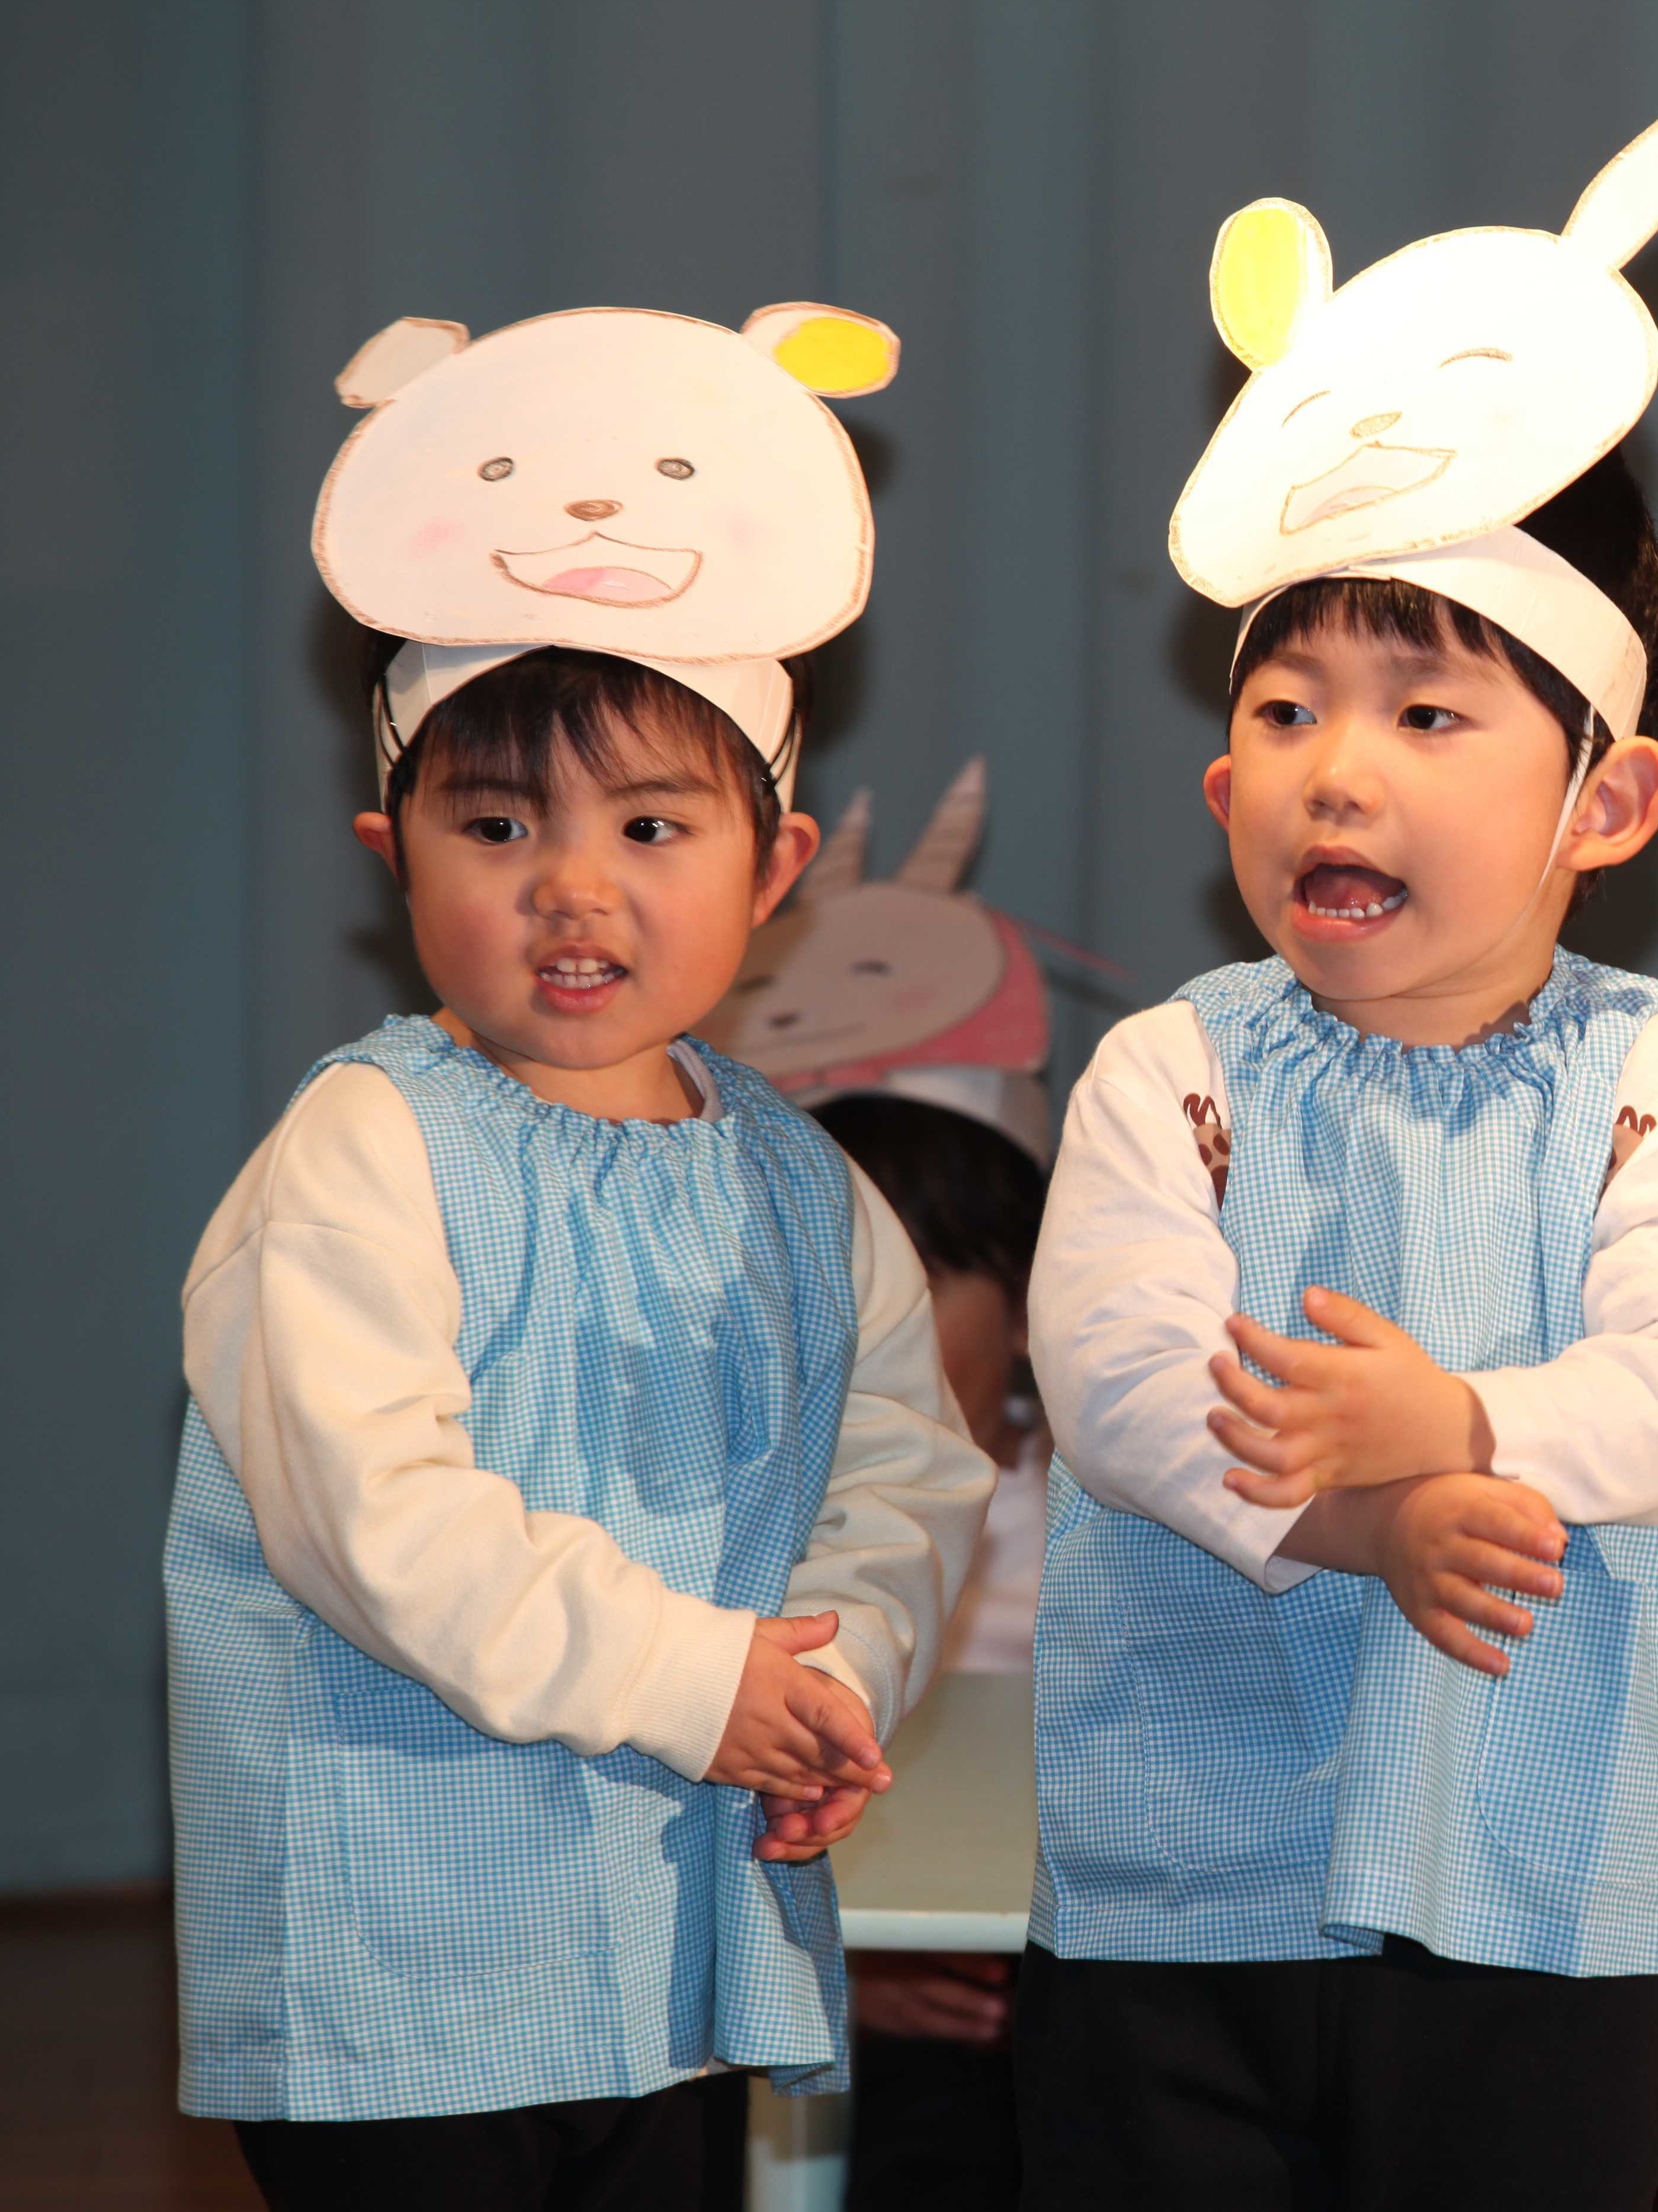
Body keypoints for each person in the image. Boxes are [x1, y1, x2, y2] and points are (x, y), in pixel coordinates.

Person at [1019, 98, 1658, 2208]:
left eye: (1427, 715)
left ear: (1604, 803)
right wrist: (1374, 1517)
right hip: (1192, 1869)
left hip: (1553, 1877)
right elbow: (1117, 1377)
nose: (1336, 771)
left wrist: (1460, 1422)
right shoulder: (1172, 1072)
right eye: (1287, 713)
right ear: (1222, 783)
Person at [169, 301, 996, 2212]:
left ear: (773, 867)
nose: (571, 883)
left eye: (651, 822)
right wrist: (699, 1674)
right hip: (397, 1964)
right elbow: (383, 1521)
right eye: (494, 821)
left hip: (665, 1950)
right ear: (394, 849)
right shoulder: (366, 1149)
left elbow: (905, 1469)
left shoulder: (802, 1185)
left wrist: (831, 1676)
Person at [711, 759, 1066, 2211]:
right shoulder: (741, 1531)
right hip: (829, 1977)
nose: (866, 1331)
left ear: (1032, 1304)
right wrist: (858, 1970)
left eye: (918, 1282)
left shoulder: (1114, 1520)